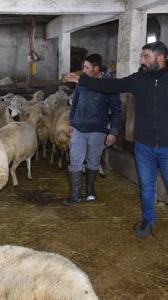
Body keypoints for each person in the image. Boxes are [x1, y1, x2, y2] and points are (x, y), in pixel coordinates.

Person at [63, 41, 168, 238]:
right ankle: (148, 220)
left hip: (166, 146)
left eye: (146, 56)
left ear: (160, 58)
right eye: (141, 56)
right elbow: (112, 85)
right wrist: (83, 80)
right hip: (144, 145)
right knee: (146, 185)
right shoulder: (139, 79)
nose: (141, 60)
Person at [62, 54, 121, 208]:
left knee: (93, 161)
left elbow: (116, 109)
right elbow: (75, 103)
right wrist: (71, 123)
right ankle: (75, 194)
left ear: (96, 69)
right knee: (75, 160)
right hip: (79, 128)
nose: (83, 70)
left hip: (97, 129)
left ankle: (90, 191)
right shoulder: (82, 83)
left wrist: (113, 131)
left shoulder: (109, 85)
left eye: (87, 67)